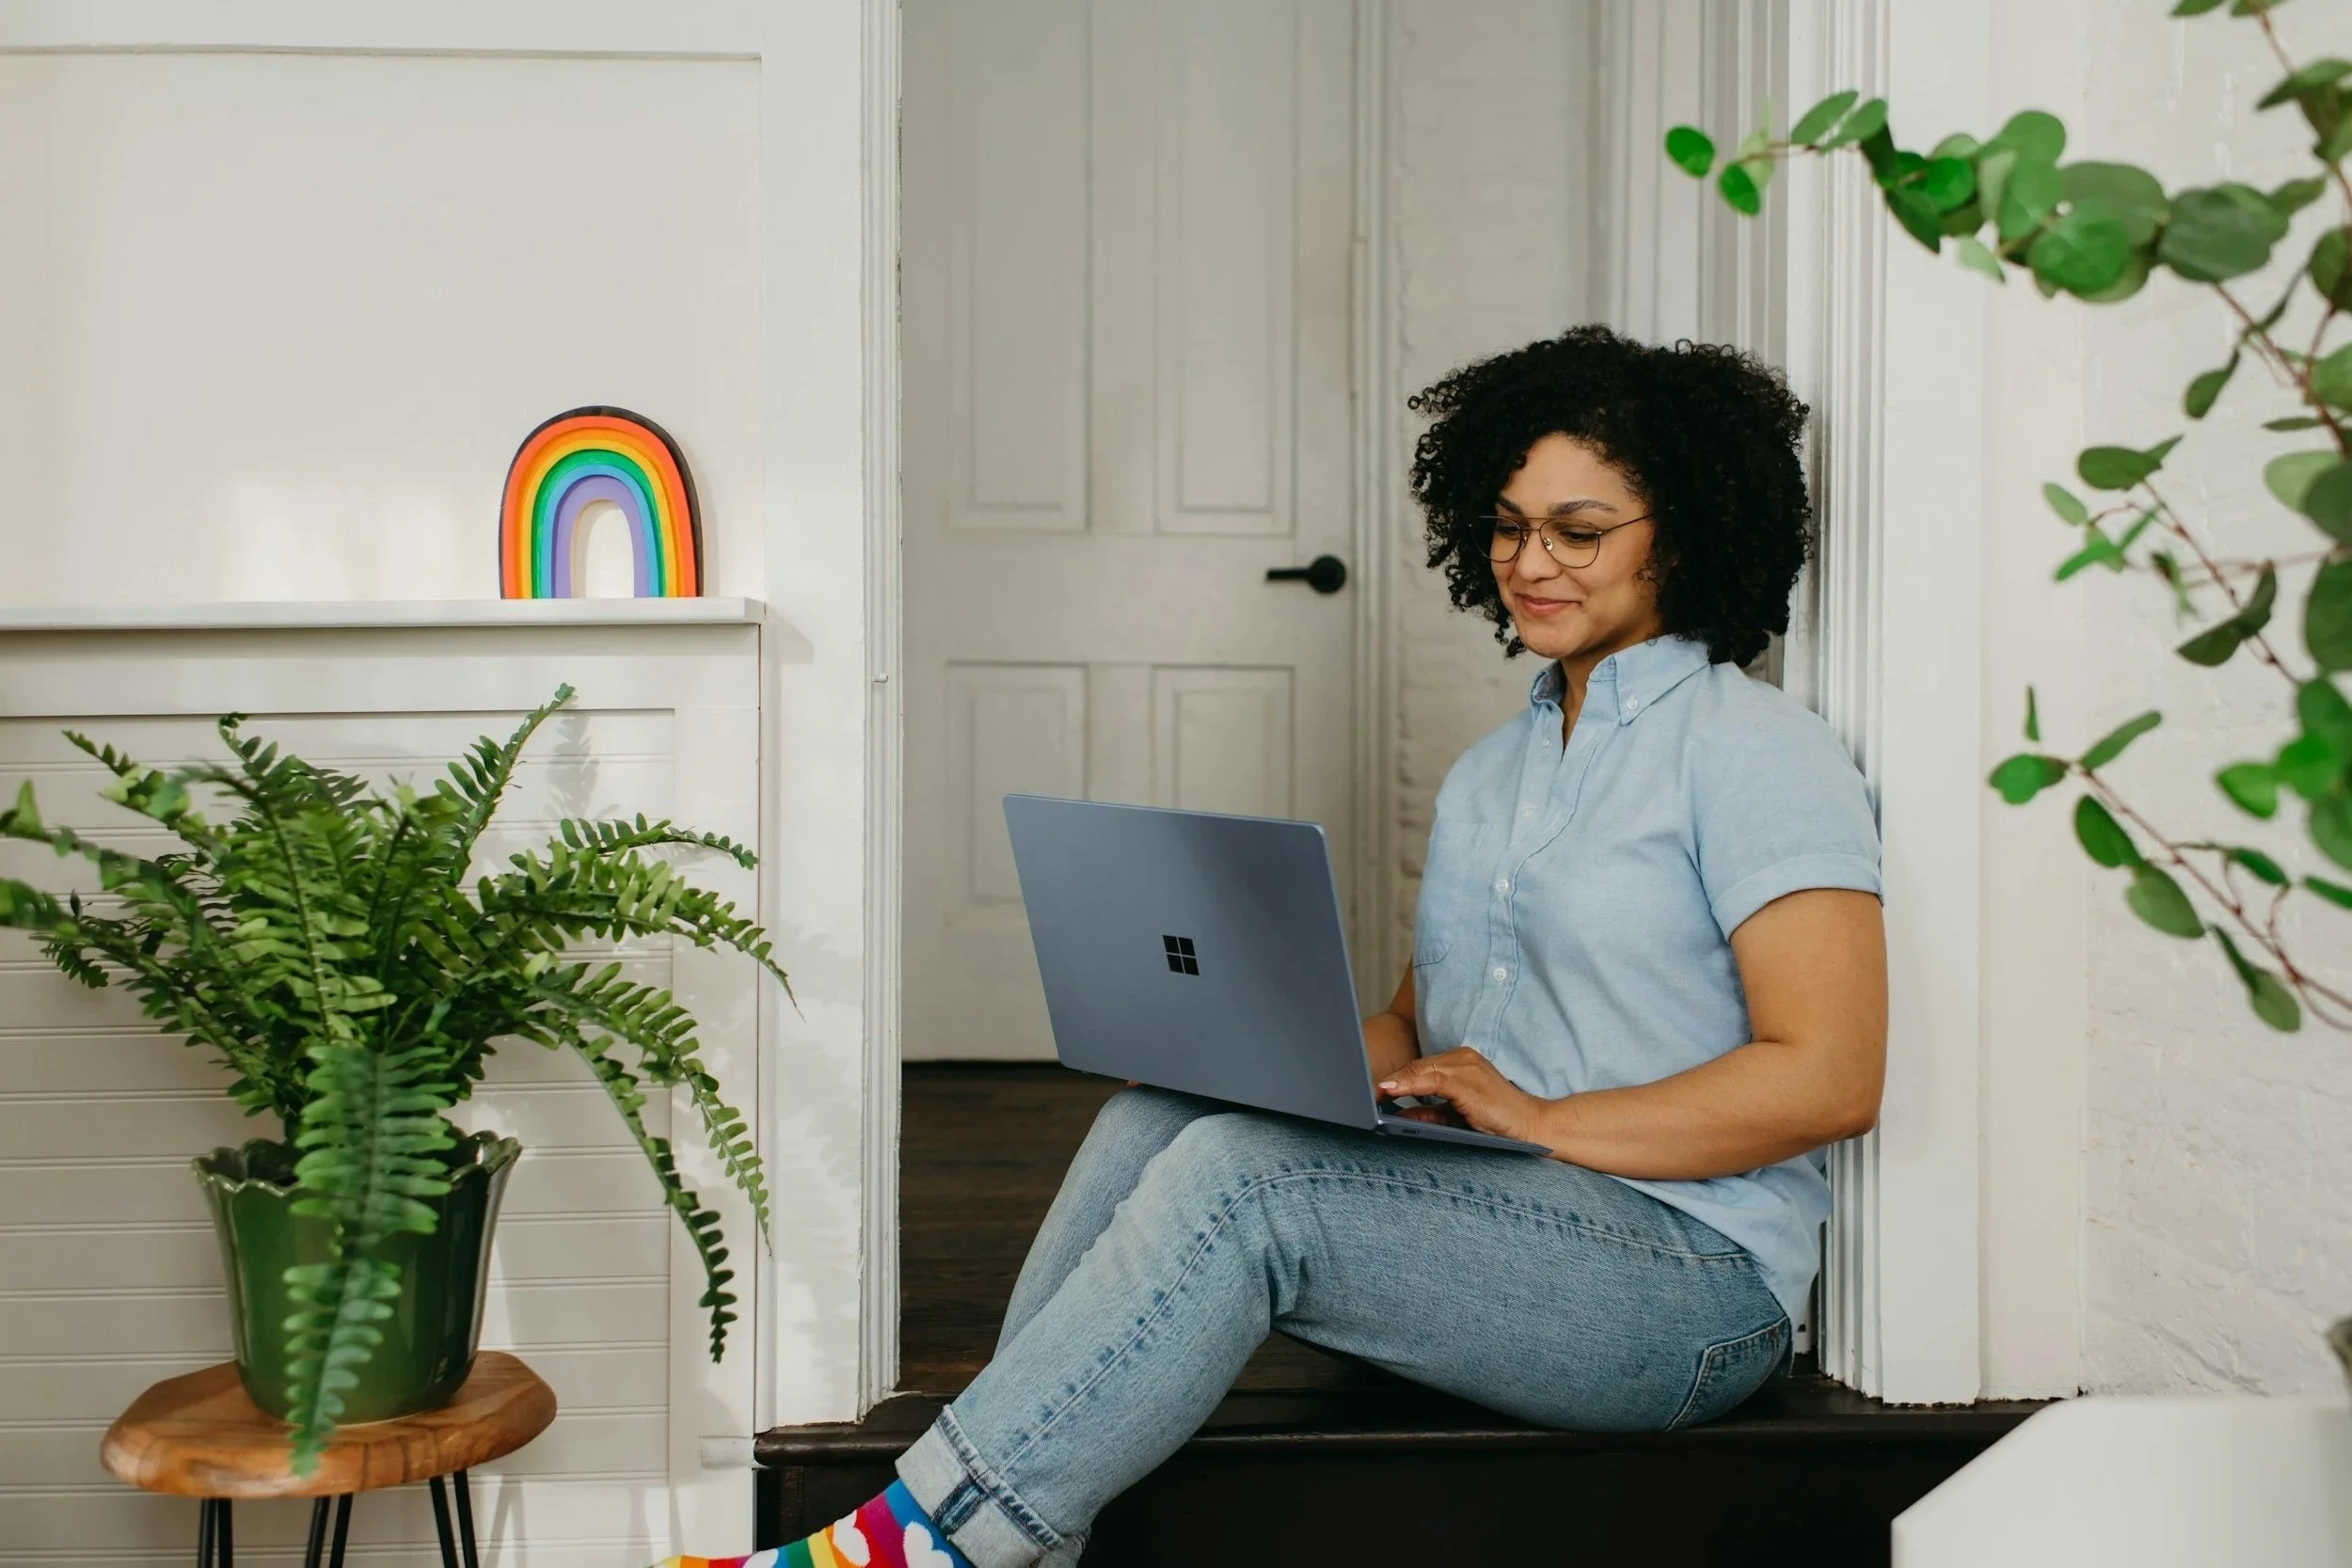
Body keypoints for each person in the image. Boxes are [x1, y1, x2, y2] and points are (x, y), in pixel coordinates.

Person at [718, 325, 1888, 1568]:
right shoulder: (1495, 773)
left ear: (1689, 534)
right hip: (1512, 1211)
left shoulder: (1756, 750)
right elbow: (1416, 1023)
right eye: (1506, 524)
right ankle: (994, 1529)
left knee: (1248, 1179)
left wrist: (1547, 1117)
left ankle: (921, 1544)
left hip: (1685, 1282)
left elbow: (1829, 1072)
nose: (1530, 562)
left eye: (1578, 530)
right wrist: (1247, 1049)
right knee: (1160, 1120)